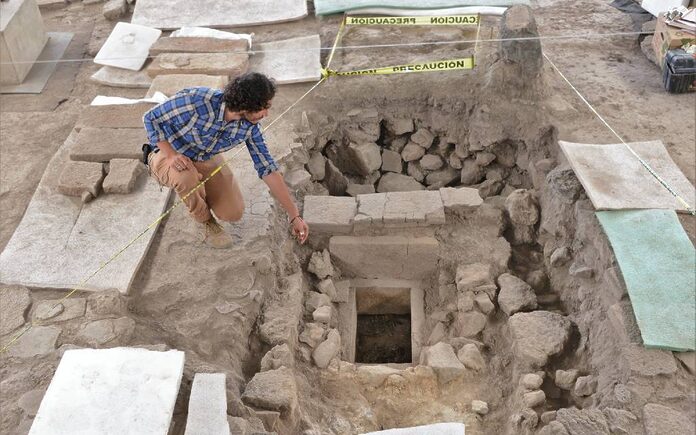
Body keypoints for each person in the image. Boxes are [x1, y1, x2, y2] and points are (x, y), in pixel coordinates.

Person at [142, 72, 309, 248]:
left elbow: (268, 169)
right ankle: (206, 221)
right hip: (168, 152)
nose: (266, 114)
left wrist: (294, 215)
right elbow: (150, 118)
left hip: (203, 156)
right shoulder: (196, 100)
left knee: (233, 213)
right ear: (247, 105)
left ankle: (198, 185)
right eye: (264, 108)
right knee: (185, 177)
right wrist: (170, 154)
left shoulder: (249, 127)